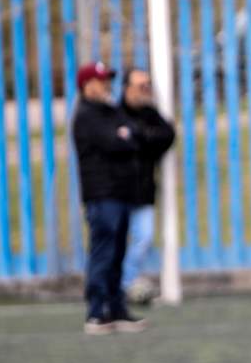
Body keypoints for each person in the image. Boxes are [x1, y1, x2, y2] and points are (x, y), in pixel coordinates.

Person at [72, 62, 146, 335]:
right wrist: (123, 138)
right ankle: (95, 312)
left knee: (117, 253)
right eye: (101, 81)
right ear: (87, 85)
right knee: (103, 252)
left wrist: (125, 136)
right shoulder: (86, 115)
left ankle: (116, 309)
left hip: (121, 192)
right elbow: (115, 143)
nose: (106, 86)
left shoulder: (110, 111)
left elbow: (133, 135)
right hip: (102, 194)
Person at [119, 68, 176, 305]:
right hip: (116, 191)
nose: (146, 90)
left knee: (144, 237)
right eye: (141, 85)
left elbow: (167, 136)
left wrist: (137, 136)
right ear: (127, 87)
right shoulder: (115, 113)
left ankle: (126, 282)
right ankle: (115, 286)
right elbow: (112, 144)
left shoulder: (150, 113)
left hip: (143, 190)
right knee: (114, 242)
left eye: (148, 85)